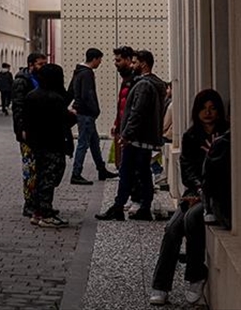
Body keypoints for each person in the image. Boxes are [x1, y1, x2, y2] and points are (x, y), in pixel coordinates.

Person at [149, 89, 229, 305]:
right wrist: (198, 189)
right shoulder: (191, 136)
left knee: (191, 219)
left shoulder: (227, 134)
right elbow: (187, 170)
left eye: (212, 108)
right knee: (172, 229)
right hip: (194, 193)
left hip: (215, 196)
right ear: (197, 111)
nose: (208, 113)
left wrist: (206, 192)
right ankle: (160, 286)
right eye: (204, 109)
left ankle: (195, 276)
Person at [96, 50, 167, 221]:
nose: (132, 66)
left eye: (135, 62)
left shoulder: (143, 85)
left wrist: (126, 134)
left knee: (127, 172)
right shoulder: (156, 83)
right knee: (143, 173)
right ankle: (144, 207)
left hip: (137, 138)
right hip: (146, 138)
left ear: (143, 64)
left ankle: (118, 207)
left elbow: (137, 112)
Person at [22, 63, 76, 227]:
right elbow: (65, 121)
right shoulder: (55, 99)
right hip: (53, 143)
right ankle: (46, 214)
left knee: (40, 177)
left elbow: (26, 120)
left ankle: (37, 211)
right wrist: (74, 115)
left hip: (36, 143)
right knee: (50, 178)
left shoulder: (31, 96)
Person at [69, 48, 119, 184]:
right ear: (95, 59)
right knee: (83, 144)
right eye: (100, 59)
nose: (100, 63)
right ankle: (76, 173)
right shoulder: (87, 74)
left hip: (83, 113)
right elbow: (87, 94)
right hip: (86, 114)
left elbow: (71, 91)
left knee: (94, 143)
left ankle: (101, 170)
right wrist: (95, 110)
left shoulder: (78, 71)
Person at [12, 51, 46, 217]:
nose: (43, 67)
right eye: (40, 64)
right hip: (27, 131)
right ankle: (29, 203)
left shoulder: (40, 79)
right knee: (29, 169)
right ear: (31, 64)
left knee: (39, 168)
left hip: (40, 129)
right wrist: (21, 129)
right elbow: (18, 107)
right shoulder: (21, 81)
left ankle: (39, 202)